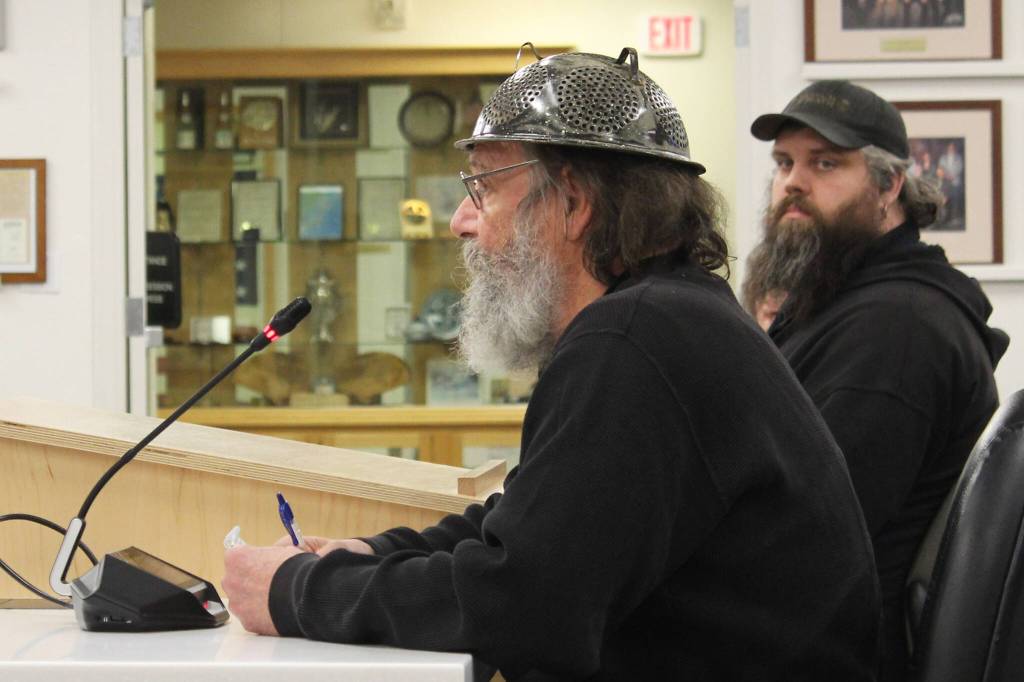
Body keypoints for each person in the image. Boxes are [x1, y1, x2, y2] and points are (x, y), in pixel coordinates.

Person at [223, 49, 881, 681]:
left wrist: (293, 591)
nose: (459, 221)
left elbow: (523, 605)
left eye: (482, 189)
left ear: (573, 201)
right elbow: (528, 530)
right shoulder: (662, 318)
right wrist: (368, 555)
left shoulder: (635, 339)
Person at [744, 79, 1009, 682]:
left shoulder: (895, 330)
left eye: (826, 163)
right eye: (785, 162)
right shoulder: (843, 305)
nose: (793, 183)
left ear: (889, 186)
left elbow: (806, 538)